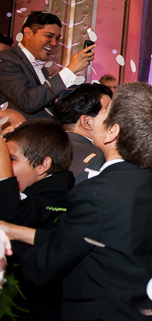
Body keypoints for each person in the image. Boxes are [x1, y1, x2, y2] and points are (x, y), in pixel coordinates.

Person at [0, 82, 152, 319]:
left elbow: (42, 267)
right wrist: (12, 231)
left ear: (112, 131)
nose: (95, 117)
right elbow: (74, 239)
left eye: (104, 111)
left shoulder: (95, 192)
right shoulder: (146, 181)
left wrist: (5, 242)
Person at [0, 119, 74, 320]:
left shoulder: (58, 190)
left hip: (35, 306)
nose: (5, 166)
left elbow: (12, 217)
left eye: (11, 160)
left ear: (43, 165)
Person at [0, 12, 95, 119]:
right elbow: (28, 102)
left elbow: (44, 104)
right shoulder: (5, 59)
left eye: (57, 38)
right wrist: (70, 69)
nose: (54, 43)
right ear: (28, 33)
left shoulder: (43, 69)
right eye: (49, 36)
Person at [53, 83, 113, 182]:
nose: (116, 118)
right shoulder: (100, 161)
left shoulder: (44, 149)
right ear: (86, 122)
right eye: (109, 113)